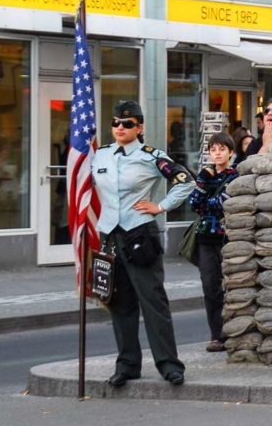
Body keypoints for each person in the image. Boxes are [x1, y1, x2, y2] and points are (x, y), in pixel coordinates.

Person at [92, 100, 195, 387]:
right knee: (119, 304)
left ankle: (169, 364)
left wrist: (160, 206)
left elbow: (186, 181)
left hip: (139, 234)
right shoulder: (101, 156)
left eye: (127, 124)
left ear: (139, 127)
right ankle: (127, 364)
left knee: (153, 302)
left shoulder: (151, 156)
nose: (120, 128)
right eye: (115, 123)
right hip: (110, 236)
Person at [188, 132, 239, 352]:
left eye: (222, 149)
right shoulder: (205, 175)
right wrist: (203, 181)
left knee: (233, 287)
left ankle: (235, 331)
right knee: (210, 287)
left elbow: (223, 203)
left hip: (228, 238)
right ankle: (217, 335)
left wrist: (205, 200)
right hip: (205, 238)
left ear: (231, 152)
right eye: (213, 149)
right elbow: (193, 203)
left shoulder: (236, 176)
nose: (217, 153)